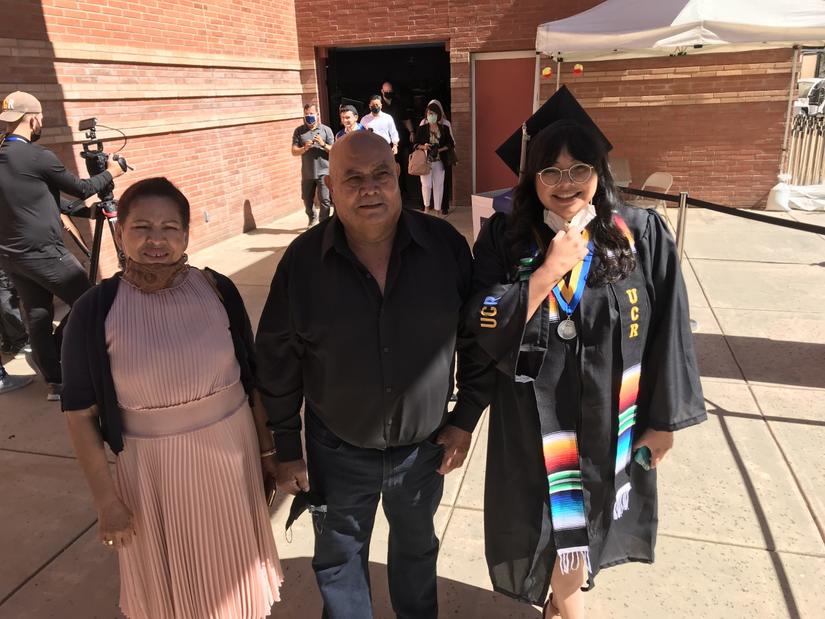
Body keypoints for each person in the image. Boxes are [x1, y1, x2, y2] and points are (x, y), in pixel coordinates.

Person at [468, 118, 706, 618]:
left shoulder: (638, 232)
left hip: (607, 415)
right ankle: (568, 605)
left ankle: (563, 602)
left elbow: (668, 328)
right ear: (531, 178)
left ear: (600, 171)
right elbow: (483, 321)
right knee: (549, 517)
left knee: (588, 514)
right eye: (550, 172)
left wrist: (663, 421)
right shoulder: (506, 236)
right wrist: (549, 270)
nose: (566, 183)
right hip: (532, 417)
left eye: (579, 168)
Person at [256, 131, 488, 619]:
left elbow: (477, 338)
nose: (369, 188)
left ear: (398, 174)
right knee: (339, 559)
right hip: (336, 453)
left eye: (381, 174)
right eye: (353, 178)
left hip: (423, 452)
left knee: (416, 552)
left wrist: (465, 417)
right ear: (330, 187)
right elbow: (278, 360)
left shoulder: (445, 247)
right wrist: (286, 448)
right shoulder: (302, 262)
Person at [62, 177, 283, 619]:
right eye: (142, 228)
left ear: (186, 234)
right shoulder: (94, 310)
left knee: (233, 573)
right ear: (119, 232)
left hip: (231, 456)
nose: (156, 241)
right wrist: (106, 501)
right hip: (154, 473)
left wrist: (268, 454)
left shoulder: (217, 289)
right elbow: (81, 414)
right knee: (176, 592)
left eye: (170, 228)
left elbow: (250, 381)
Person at [0, 91, 126, 401]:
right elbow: (82, 188)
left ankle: (56, 382)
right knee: (94, 302)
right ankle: (88, 363)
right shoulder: (38, 156)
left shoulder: (5, 157)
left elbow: (39, 199)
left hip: (14, 258)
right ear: (34, 119)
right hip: (45, 254)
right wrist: (112, 172)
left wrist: (86, 212)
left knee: (38, 317)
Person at [292, 103, 334, 227]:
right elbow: (293, 151)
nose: (309, 116)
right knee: (307, 199)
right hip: (307, 172)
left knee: (325, 200)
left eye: (311, 113)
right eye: (306, 114)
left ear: (317, 114)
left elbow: (334, 150)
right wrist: (304, 148)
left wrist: (323, 144)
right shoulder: (299, 131)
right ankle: (312, 217)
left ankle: (323, 224)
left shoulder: (326, 130)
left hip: (324, 171)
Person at [414, 103, 455, 217]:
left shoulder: (444, 128)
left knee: (439, 185)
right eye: (428, 113)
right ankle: (426, 208)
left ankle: (437, 210)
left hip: (439, 161)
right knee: (426, 185)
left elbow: (451, 144)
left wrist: (439, 150)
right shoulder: (422, 128)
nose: (430, 115)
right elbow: (415, 144)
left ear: (438, 115)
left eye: (432, 113)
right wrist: (424, 147)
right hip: (425, 162)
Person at [379, 82, 415, 196]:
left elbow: (405, 119)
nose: (389, 93)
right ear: (382, 91)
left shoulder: (398, 103)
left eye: (391, 91)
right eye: (387, 92)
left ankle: (401, 190)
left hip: (397, 140)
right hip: (382, 142)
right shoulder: (378, 104)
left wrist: (411, 132)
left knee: (399, 164)